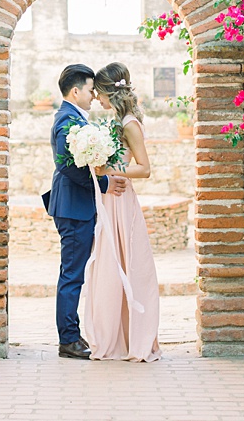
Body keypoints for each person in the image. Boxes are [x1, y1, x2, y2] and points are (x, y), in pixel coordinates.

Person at [44, 63, 127, 360]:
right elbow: (66, 166)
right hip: (73, 208)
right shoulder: (66, 120)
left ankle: (72, 335)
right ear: (76, 91)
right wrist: (103, 183)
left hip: (77, 206)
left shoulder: (75, 118)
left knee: (74, 273)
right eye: (91, 90)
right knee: (72, 275)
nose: (94, 96)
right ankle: (68, 339)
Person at [85, 62, 162, 362]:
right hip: (110, 198)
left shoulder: (129, 123)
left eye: (99, 93)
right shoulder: (117, 120)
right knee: (108, 268)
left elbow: (144, 168)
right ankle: (114, 336)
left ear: (109, 92)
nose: (96, 99)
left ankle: (135, 339)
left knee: (129, 265)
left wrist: (109, 168)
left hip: (122, 200)